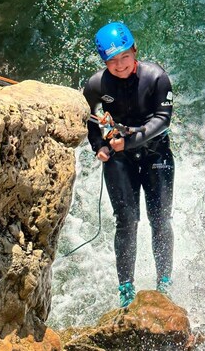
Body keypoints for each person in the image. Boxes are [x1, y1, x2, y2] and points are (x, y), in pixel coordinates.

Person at [83, 21, 175, 308]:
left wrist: (131, 140)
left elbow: (162, 120)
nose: (120, 65)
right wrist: (99, 147)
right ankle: (125, 287)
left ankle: (164, 282)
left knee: (159, 220)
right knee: (126, 222)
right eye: (112, 61)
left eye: (125, 56)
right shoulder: (97, 84)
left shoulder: (157, 78)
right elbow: (88, 118)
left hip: (155, 155)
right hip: (119, 159)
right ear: (104, 62)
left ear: (135, 51)